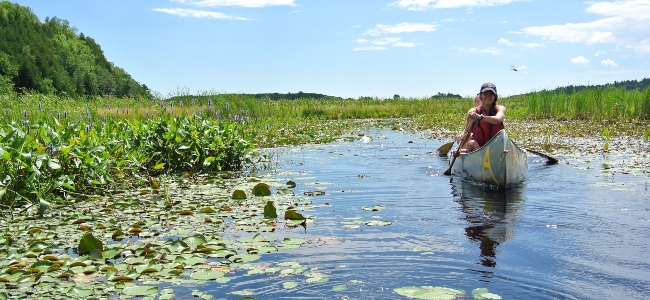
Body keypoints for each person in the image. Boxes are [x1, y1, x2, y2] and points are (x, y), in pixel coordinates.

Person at [453, 82, 506, 157]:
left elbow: (498, 119)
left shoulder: (500, 108)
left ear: (495, 96)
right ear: (480, 95)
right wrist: (459, 148)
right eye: (485, 94)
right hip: (479, 149)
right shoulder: (474, 111)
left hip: (496, 149)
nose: (488, 96)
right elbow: (467, 133)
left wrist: (480, 117)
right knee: (471, 143)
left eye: (491, 94)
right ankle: (477, 164)